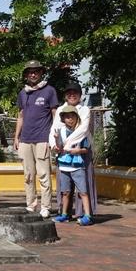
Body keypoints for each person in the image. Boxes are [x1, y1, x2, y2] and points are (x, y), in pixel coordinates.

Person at [14, 60, 59, 218]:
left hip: (42, 138)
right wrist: (16, 137)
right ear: (26, 75)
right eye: (30, 72)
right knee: (28, 175)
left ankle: (46, 206)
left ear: (41, 73)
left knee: (44, 174)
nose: (33, 74)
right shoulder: (22, 93)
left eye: (36, 71)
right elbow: (20, 116)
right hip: (25, 139)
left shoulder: (49, 91)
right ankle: (31, 204)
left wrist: (55, 137)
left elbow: (55, 115)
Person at [49, 82, 97, 216]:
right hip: (63, 154)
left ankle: (85, 213)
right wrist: (55, 146)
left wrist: (66, 146)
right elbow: (55, 130)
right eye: (69, 93)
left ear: (80, 95)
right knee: (64, 187)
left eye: (75, 93)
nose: (72, 95)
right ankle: (64, 212)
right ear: (65, 96)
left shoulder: (85, 110)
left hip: (81, 151)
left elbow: (82, 130)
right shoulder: (60, 110)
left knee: (84, 185)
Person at [51, 105, 93, 226]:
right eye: (67, 117)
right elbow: (59, 148)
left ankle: (88, 215)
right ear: (63, 119)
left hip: (77, 166)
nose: (70, 119)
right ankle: (64, 214)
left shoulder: (81, 132)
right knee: (65, 192)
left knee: (83, 191)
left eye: (72, 116)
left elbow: (86, 148)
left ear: (77, 118)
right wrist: (56, 142)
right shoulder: (60, 131)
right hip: (64, 165)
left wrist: (78, 151)